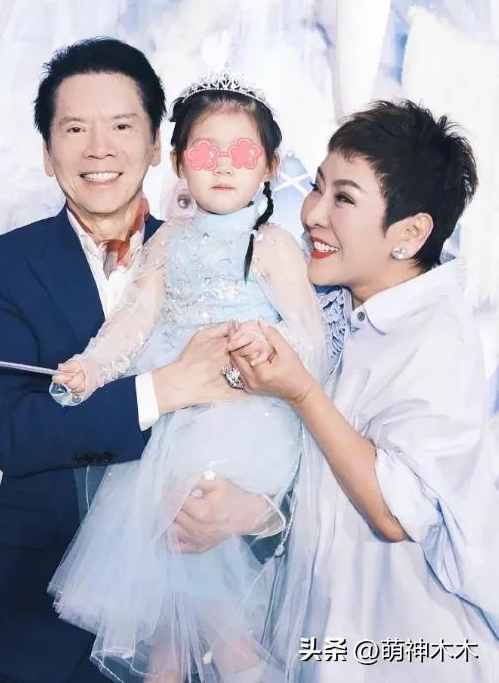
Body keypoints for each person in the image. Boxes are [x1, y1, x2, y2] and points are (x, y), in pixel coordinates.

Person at [0, 39, 282, 683]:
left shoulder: (225, 255)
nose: (99, 148)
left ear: (158, 145)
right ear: (47, 152)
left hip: (184, 621)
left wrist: (257, 512)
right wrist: (162, 389)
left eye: (121, 126)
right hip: (37, 622)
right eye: (75, 129)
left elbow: (281, 408)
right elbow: (13, 434)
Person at [50, 74, 325, 683]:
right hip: (173, 419)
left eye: (242, 153)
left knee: (191, 530)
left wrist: (265, 347)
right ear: (178, 164)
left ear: (270, 166)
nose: (223, 166)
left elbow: (310, 338)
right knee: (173, 608)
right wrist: (90, 367)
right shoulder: (168, 242)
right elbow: (133, 321)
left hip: (245, 417)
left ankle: (241, 664)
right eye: (204, 152)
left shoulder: (273, 245)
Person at [227, 100, 499, 681]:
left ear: (410, 233)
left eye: (344, 199)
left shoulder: (437, 336)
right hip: (322, 632)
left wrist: (302, 393)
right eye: (317, 187)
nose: (313, 214)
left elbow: (396, 513)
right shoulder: (331, 304)